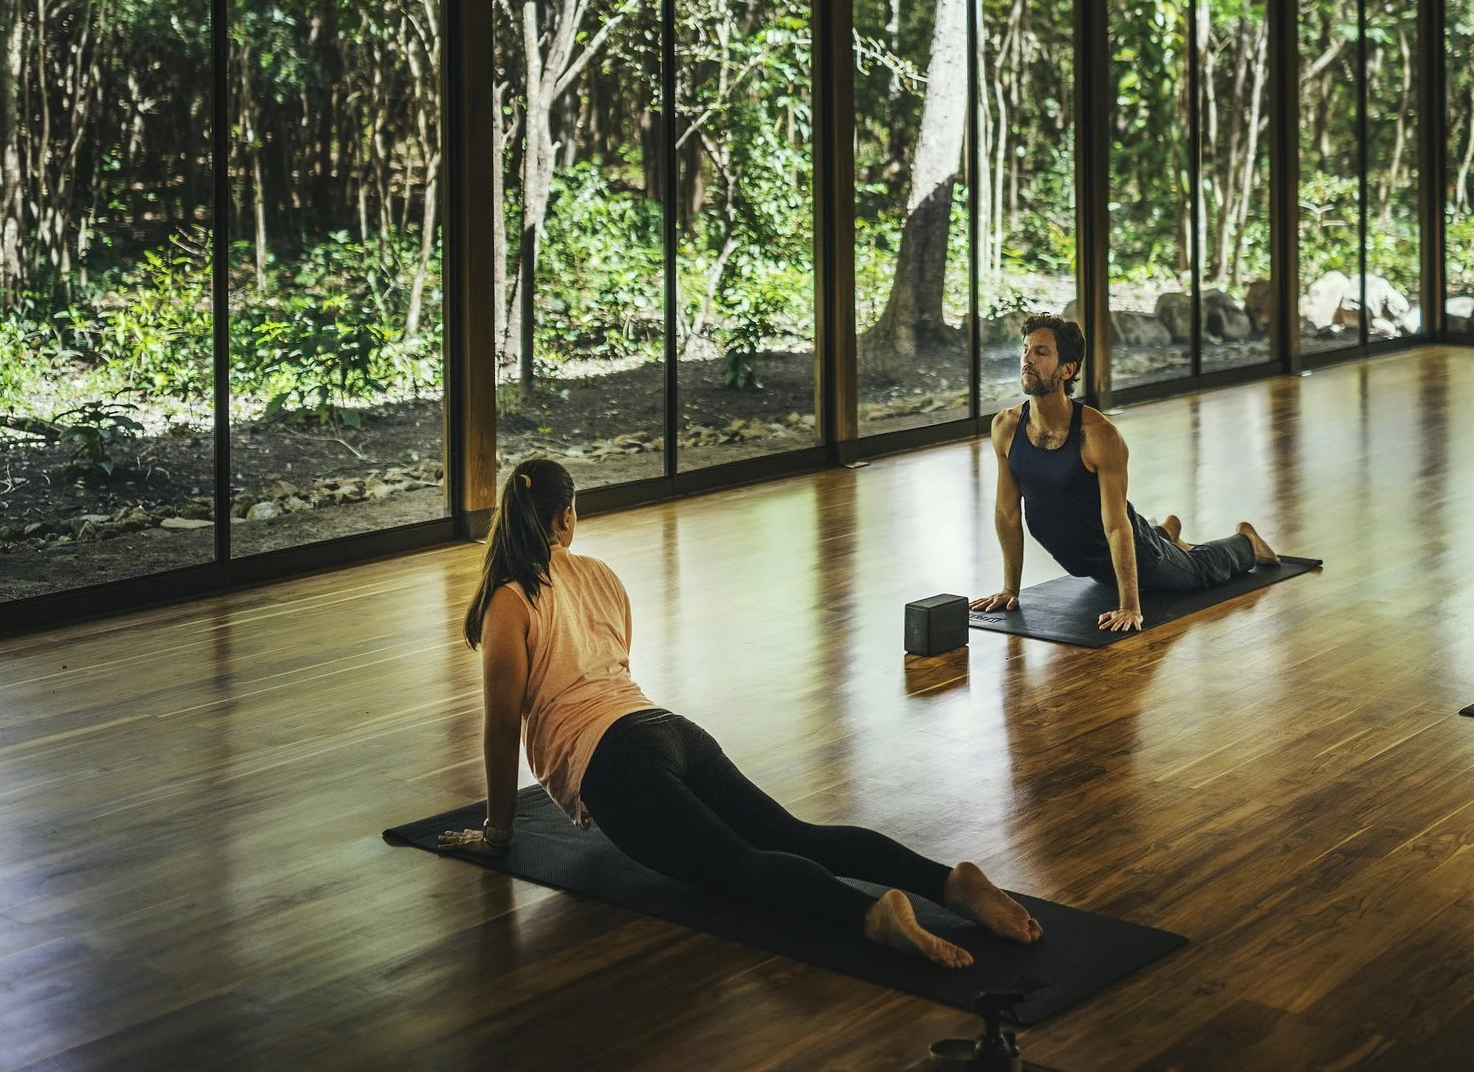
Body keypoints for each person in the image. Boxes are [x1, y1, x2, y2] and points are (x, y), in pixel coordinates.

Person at [435, 458, 1041, 969]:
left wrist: (498, 833)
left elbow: (501, 726)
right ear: (567, 518)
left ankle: (869, 916)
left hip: (615, 761)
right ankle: (945, 883)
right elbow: (614, 670)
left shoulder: (508, 602)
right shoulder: (602, 576)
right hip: (668, 731)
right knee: (793, 836)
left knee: (734, 866)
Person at [969, 313, 1281, 634]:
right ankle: (1166, 535)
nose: (1028, 359)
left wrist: (1130, 606)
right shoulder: (1005, 427)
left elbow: (1118, 526)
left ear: (1068, 369)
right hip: (1087, 561)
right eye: (1025, 349)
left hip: (1127, 551)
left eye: (1041, 352)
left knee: (1196, 573)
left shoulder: (1098, 435)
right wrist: (1010, 590)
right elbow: (1007, 513)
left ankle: (1246, 544)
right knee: (1155, 550)